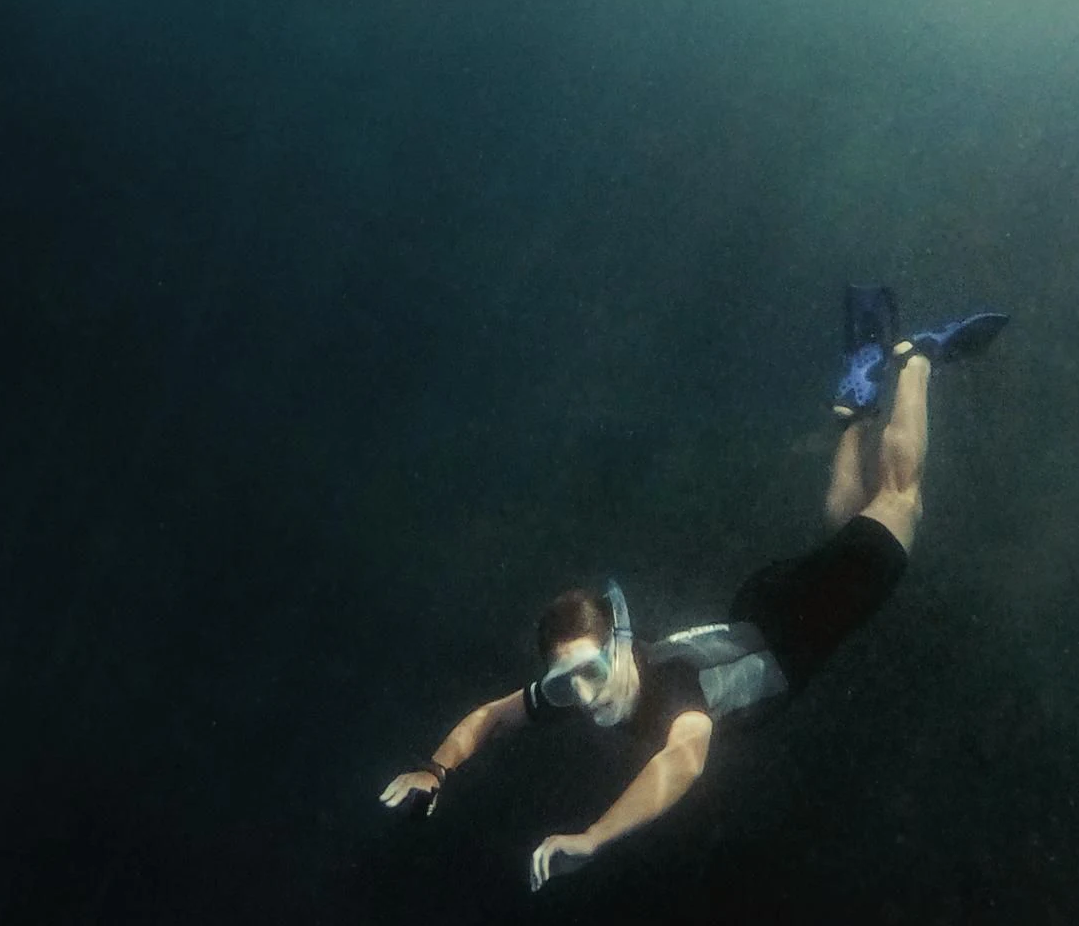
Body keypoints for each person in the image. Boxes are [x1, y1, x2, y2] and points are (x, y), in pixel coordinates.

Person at [379, 285, 1008, 889]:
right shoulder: (583, 684)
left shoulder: (676, 692)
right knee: (846, 536)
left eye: (592, 669)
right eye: (566, 682)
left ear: (620, 641)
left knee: (897, 502)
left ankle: (914, 359)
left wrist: (594, 838)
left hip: (794, 626)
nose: (584, 693)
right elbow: (495, 714)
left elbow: (682, 761)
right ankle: (854, 407)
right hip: (761, 609)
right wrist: (436, 769)